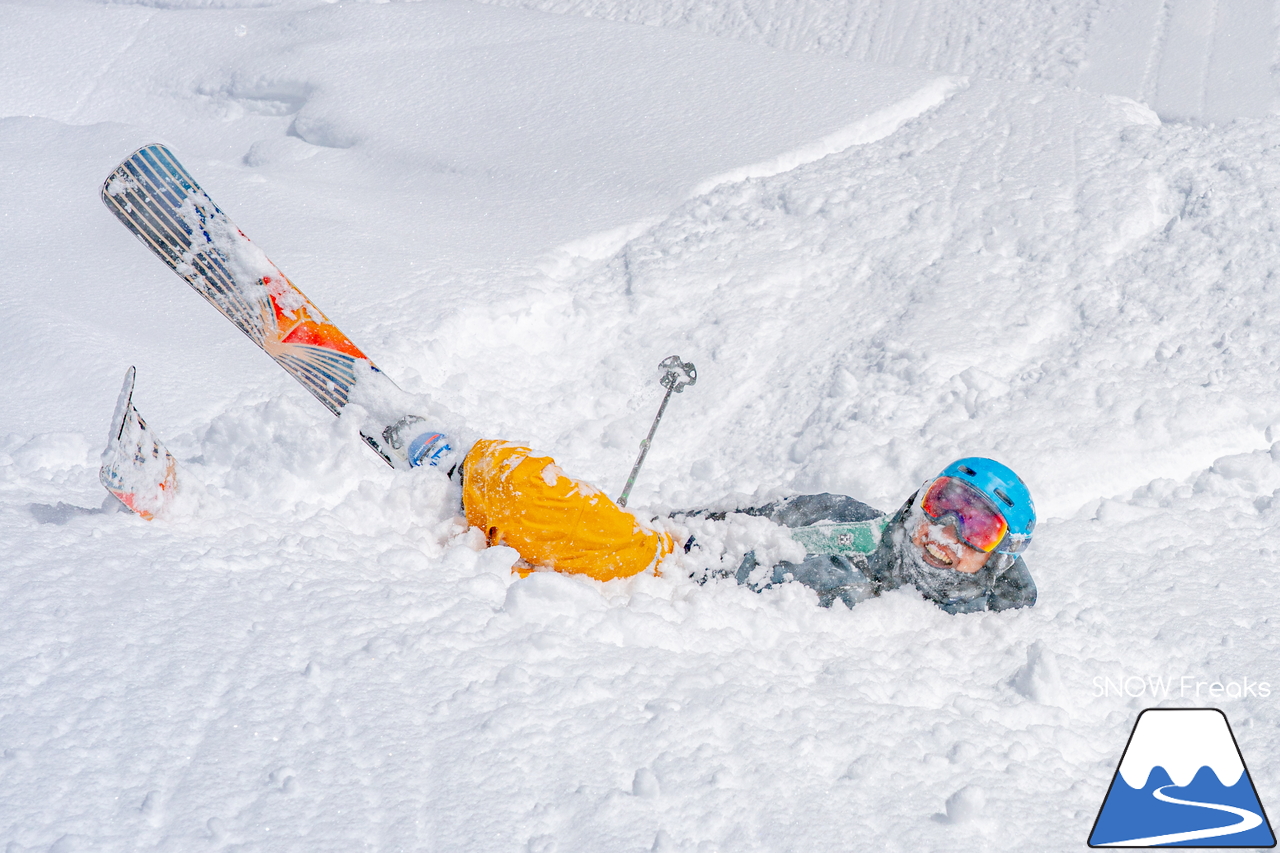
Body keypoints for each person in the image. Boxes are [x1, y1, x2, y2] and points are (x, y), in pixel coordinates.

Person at [438, 436, 1037, 614]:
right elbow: (747, 529)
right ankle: (461, 467)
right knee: (570, 521)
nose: (946, 532)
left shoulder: (987, 630)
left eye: (976, 530)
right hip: (671, 563)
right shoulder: (856, 529)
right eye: (944, 504)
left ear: (1002, 555)